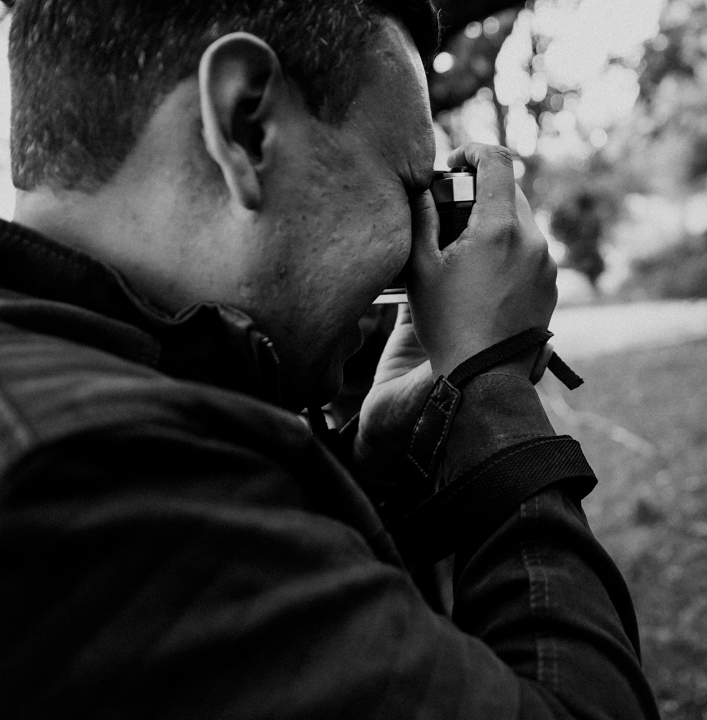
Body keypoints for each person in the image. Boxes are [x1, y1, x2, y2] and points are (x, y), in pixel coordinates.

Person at [0, 2, 661, 718]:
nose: (420, 259)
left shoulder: (82, 398)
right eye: (412, 191)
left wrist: (370, 472)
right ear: (246, 125)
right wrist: (491, 384)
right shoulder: (90, 472)